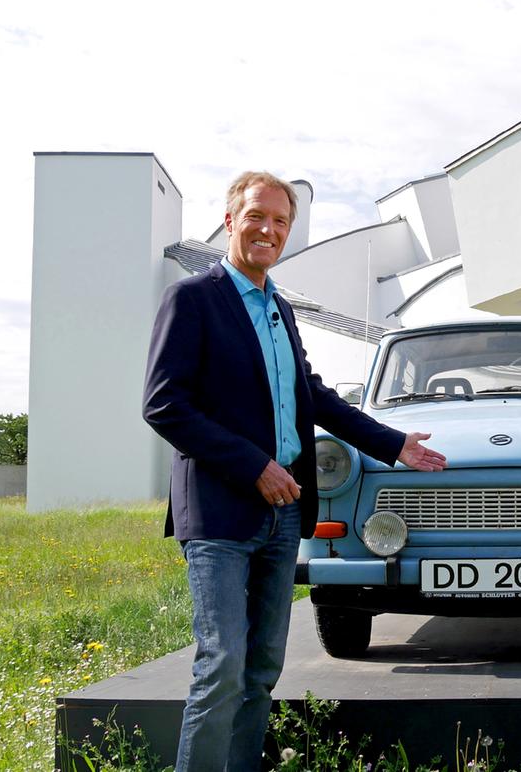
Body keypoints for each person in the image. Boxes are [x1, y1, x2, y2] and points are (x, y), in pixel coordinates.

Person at [143, 171, 448, 771]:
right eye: (257, 216)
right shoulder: (193, 299)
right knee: (222, 663)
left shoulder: (279, 308)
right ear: (231, 221)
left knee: (261, 668)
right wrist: (253, 465)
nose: (269, 230)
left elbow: (314, 395)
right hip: (221, 512)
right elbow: (165, 404)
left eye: (281, 221)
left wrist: (392, 443)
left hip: (283, 515)